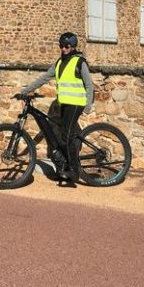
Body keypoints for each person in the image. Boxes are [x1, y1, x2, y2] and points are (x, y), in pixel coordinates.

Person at [18, 32, 94, 181]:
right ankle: (65, 163)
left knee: (67, 134)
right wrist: (25, 90)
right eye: (61, 46)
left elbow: (89, 84)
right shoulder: (59, 63)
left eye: (67, 46)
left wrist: (88, 105)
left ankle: (74, 170)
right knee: (64, 133)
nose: (64, 49)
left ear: (72, 47)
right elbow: (44, 77)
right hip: (64, 104)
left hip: (77, 103)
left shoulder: (80, 62)